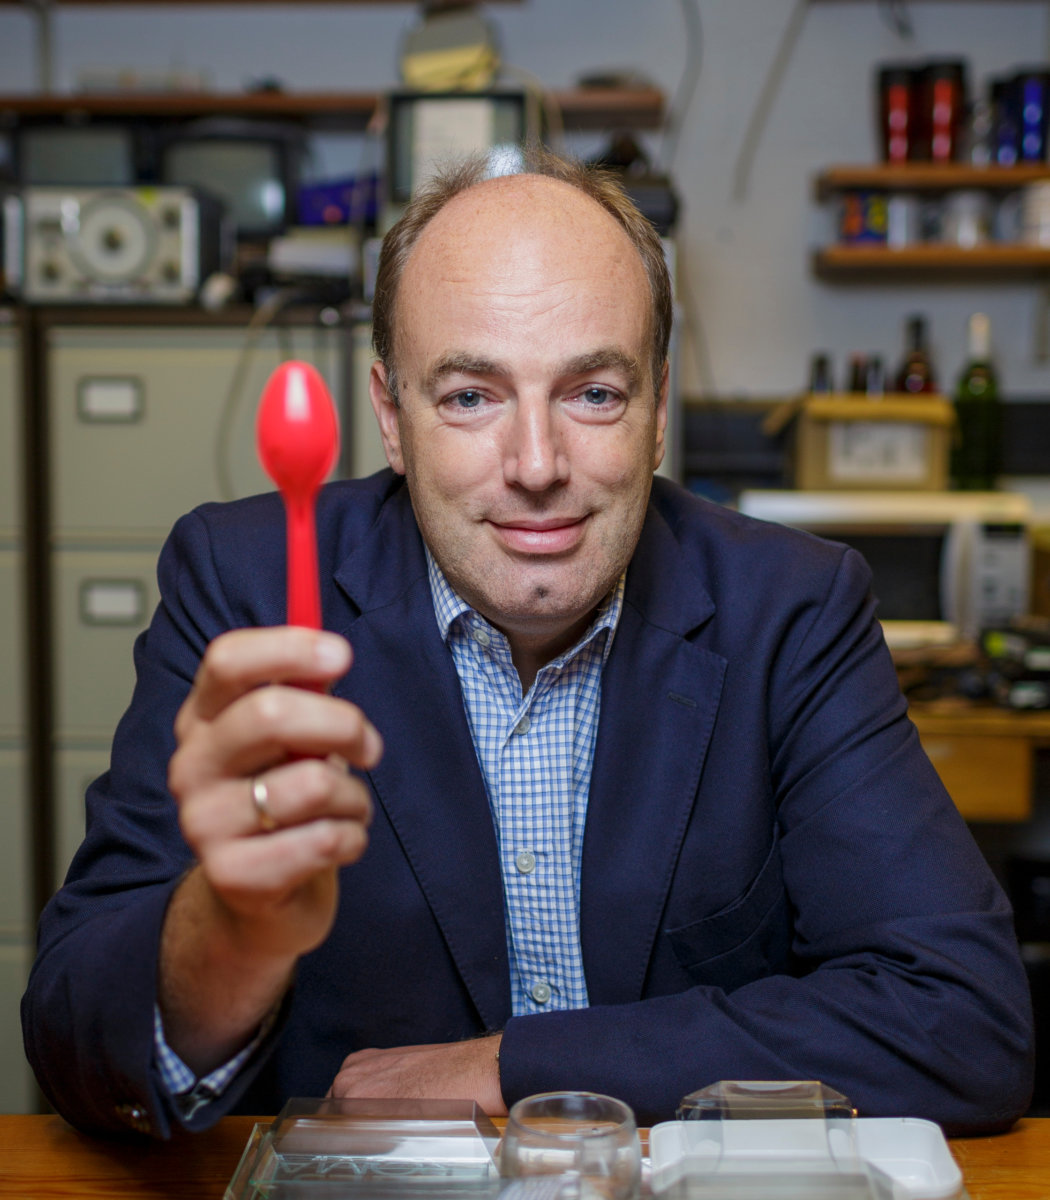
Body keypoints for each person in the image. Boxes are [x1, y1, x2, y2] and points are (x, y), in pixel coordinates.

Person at [23, 147, 1033, 1140]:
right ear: (390, 415)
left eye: (594, 392)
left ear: (659, 410)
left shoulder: (792, 609)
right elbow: (73, 1034)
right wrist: (227, 935)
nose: (537, 464)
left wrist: (511, 1066)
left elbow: (962, 1021)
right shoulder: (245, 585)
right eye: (470, 396)